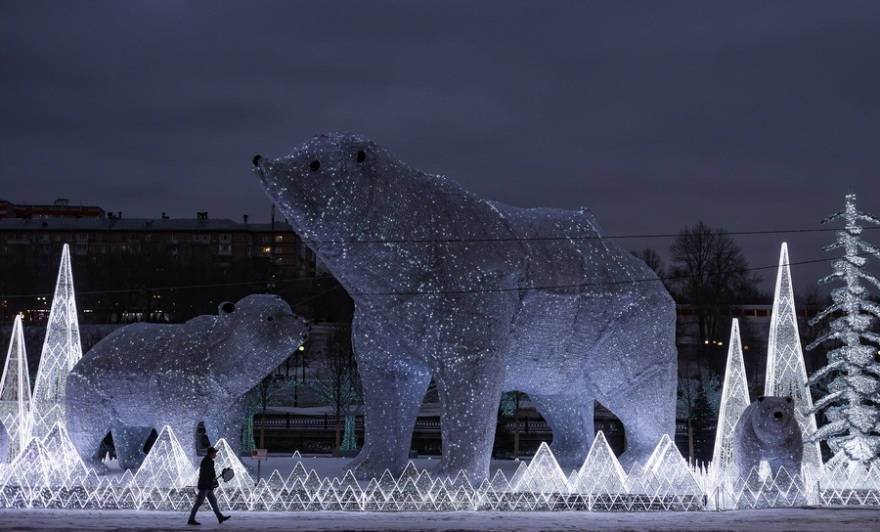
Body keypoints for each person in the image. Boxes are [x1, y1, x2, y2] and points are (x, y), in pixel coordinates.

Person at [187, 447, 231, 525]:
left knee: (213, 501)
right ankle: (191, 519)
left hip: (208, 486)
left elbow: (210, 474)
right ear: (211, 453)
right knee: (198, 503)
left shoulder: (209, 461)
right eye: (214, 453)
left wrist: (213, 480)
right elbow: (205, 475)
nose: (215, 454)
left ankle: (220, 517)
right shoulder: (207, 461)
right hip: (205, 486)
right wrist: (211, 481)